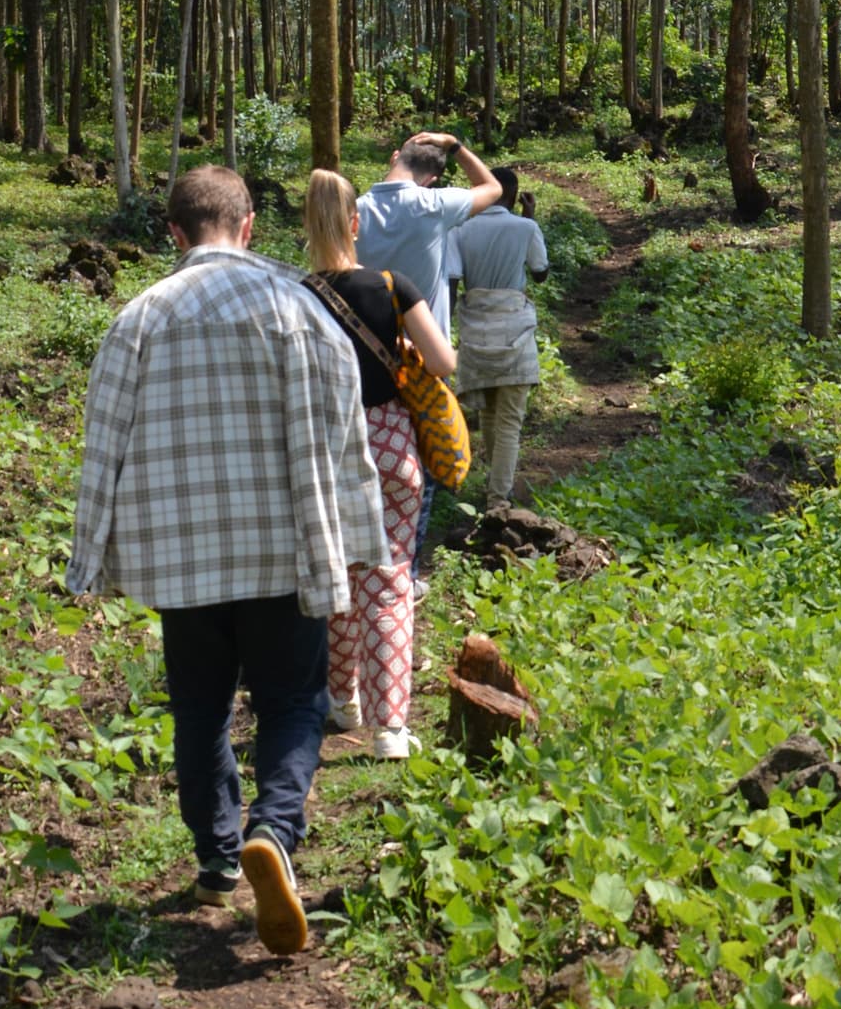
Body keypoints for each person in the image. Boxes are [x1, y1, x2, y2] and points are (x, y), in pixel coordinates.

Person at [68, 162, 385, 954]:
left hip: (185, 562)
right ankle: (274, 831)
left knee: (202, 708)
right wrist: (361, 543)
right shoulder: (300, 310)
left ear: (173, 234)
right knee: (294, 702)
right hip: (284, 549)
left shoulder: (140, 317)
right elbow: (348, 441)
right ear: (249, 227)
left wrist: (88, 563)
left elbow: (101, 446)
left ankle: (216, 858)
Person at [299, 168, 458, 762]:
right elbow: (443, 363)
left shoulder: (298, 295)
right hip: (391, 448)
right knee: (389, 583)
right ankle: (391, 728)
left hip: (328, 451)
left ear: (308, 227)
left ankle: (345, 703)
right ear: (356, 222)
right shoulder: (393, 286)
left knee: (338, 577)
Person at [448, 164, 548, 512]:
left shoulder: (460, 229)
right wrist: (530, 217)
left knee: (489, 414)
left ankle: (494, 487)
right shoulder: (525, 227)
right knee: (509, 420)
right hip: (515, 330)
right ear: (514, 194)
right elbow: (540, 274)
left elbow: (452, 281)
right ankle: (497, 497)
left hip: (476, 330)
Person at [354, 130, 502, 340]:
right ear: (430, 180)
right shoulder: (436, 206)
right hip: (424, 357)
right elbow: (493, 188)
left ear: (394, 157)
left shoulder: (353, 210)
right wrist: (454, 145)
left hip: (367, 347)